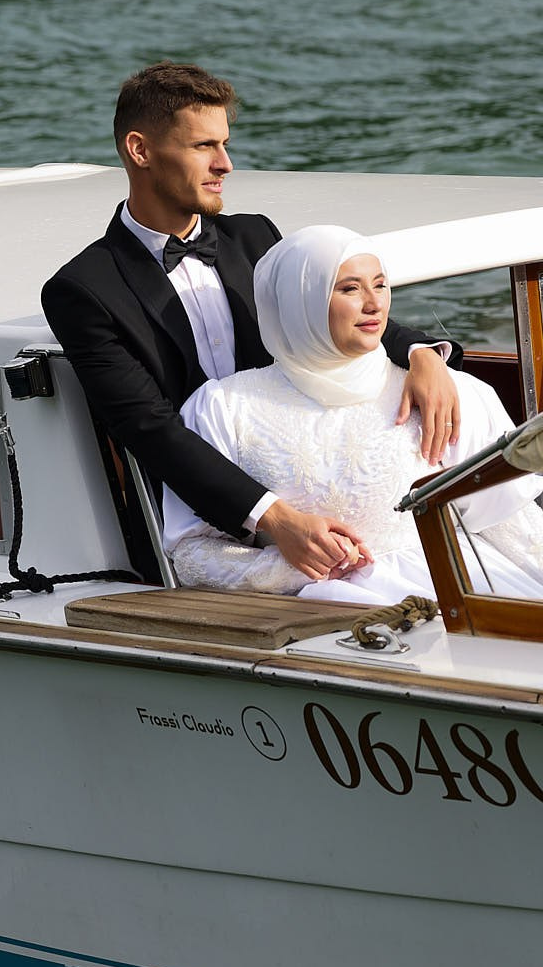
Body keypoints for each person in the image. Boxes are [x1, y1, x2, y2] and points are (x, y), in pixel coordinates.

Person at [42, 62, 462, 582]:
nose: (226, 164)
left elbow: (324, 320)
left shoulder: (254, 238)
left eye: (225, 143)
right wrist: (274, 518)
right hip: (197, 519)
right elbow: (149, 428)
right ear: (140, 150)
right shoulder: (83, 290)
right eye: (204, 147)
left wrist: (421, 353)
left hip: (313, 479)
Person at [162, 225, 543, 608]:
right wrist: (288, 566)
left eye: (380, 284)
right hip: (313, 621)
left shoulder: (451, 393)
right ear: (302, 301)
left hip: (459, 597)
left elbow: (512, 524)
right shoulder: (223, 407)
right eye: (350, 289)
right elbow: (191, 555)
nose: (374, 303)